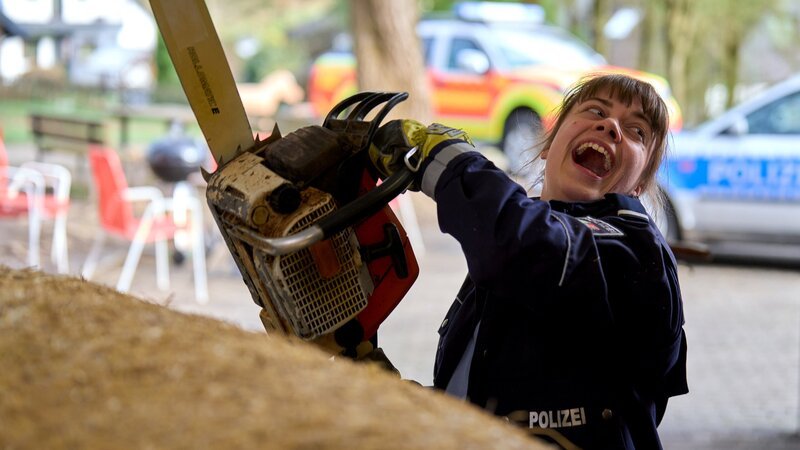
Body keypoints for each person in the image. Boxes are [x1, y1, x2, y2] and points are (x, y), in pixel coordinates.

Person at [369, 73, 688, 449]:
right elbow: (475, 403)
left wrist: (441, 157)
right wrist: (380, 387)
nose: (611, 126)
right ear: (548, 146)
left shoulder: (634, 249)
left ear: (638, 185)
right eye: (596, 111)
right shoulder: (515, 243)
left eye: (637, 132)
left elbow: (523, 240)